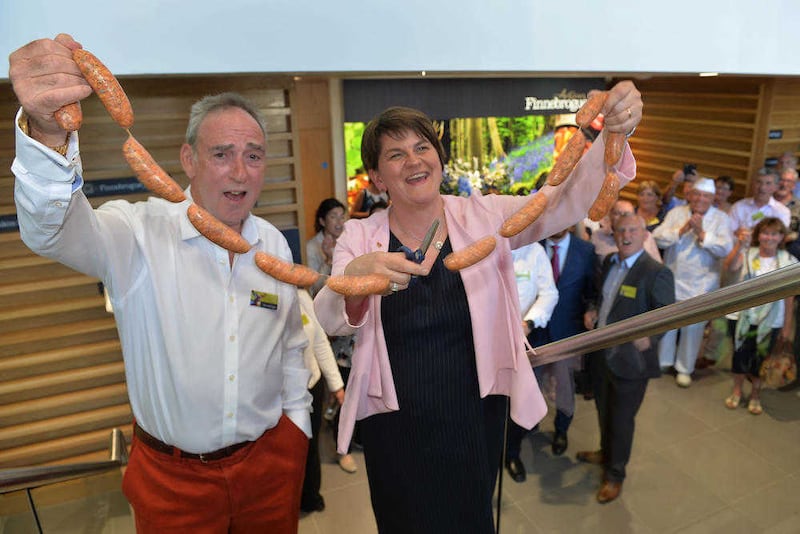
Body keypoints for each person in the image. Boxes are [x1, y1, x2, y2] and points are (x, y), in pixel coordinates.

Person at [10, 35, 311, 533]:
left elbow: (290, 346)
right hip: (174, 480)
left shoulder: (274, 244)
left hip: (270, 466)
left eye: (254, 155)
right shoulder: (136, 232)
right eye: (221, 153)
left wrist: (297, 428)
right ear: (188, 159)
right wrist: (47, 135)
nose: (240, 170)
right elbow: (51, 232)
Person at [314, 83, 643, 532]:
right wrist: (358, 277)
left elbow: (562, 201)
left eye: (422, 146)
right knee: (402, 521)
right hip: (395, 418)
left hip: (472, 409)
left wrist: (613, 136)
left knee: (471, 518)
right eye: (395, 155)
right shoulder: (359, 237)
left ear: (439, 157)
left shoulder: (485, 217)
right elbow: (330, 317)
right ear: (376, 176)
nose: (414, 161)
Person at [580, 213, 675, 504]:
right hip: (602, 355)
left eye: (633, 230)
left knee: (621, 420)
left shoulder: (656, 271)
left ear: (645, 234)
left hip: (631, 362)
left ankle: (615, 475)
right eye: (621, 230)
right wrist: (594, 310)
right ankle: (606, 453)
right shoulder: (610, 261)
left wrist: (651, 337)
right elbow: (602, 295)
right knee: (603, 410)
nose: (626, 235)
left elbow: (668, 314)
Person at [652, 178, 733, 387]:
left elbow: (725, 248)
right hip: (674, 279)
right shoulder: (677, 213)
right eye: (696, 194)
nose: (700, 199)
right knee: (668, 323)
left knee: (693, 328)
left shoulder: (721, 218)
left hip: (702, 284)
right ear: (690, 195)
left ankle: (684, 368)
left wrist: (701, 233)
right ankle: (663, 361)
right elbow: (658, 237)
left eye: (705, 196)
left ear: (713, 198)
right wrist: (682, 230)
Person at [305, 198, 359, 472]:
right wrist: (327, 260)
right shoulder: (314, 246)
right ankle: (342, 448)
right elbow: (316, 291)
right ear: (323, 220)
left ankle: (353, 434)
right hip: (331, 326)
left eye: (342, 215)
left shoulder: (351, 238)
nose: (340, 221)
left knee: (356, 384)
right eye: (334, 216)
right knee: (342, 387)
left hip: (356, 324)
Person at [722, 217, 797, 414]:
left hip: (771, 321)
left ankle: (755, 394)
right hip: (742, 318)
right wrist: (739, 244)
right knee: (740, 357)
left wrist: (786, 327)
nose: (769, 237)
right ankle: (737, 390)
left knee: (760, 361)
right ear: (758, 235)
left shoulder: (789, 262)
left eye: (774, 233)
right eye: (765, 233)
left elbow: (790, 298)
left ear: (781, 236)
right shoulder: (748, 253)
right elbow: (729, 268)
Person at [535, 227, 598, 456]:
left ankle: (561, 429)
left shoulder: (586, 251)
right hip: (534, 333)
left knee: (565, 386)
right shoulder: (533, 245)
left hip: (567, 332)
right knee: (531, 383)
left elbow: (592, 290)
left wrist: (591, 309)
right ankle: (529, 424)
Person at [504, 241, 559, 483]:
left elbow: (549, 293)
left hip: (522, 339)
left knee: (519, 396)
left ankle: (511, 453)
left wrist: (529, 323)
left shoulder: (534, 251)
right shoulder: (485, 241)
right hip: (485, 335)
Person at [296, 289, 345, 513]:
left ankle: (310, 496)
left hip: (310, 387)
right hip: (275, 397)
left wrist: (337, 385)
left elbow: (320, 344)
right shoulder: (257, 295)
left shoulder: (302, 296)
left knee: (310, 447)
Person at [591, 199, 662, 262]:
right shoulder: (597, 235)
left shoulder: (645, 236)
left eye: (627, 214)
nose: (622, 217)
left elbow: (657, 265)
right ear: (610, 215)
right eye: (617, 213)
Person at [728, 168, 791, 236]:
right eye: (759, 182)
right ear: (753, 184)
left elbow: (780, 236)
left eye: (768, 183)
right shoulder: (738, 207)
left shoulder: (782, 211)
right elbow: (728, 232)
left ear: (776, 187)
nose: (762, 187)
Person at [306, 198, 347, 297]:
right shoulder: (311, 247)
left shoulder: (348, 240)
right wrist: (329, 260)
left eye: (342, 217)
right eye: (333, 217)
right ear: (322, 221)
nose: (339, 223)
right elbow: (314, 287)